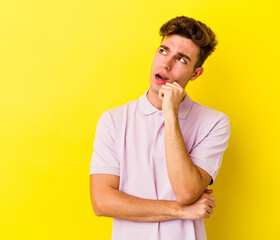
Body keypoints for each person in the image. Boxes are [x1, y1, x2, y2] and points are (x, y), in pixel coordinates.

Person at [89, 16, 230, 240]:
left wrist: (170, 113)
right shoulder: (114, 120)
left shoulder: (214, 123)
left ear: (196, 73)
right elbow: (102, 202)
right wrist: (181, 211)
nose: (167, 63)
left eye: (182, 59)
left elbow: (186, 192)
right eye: (163, 51)